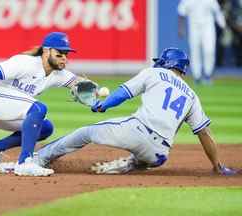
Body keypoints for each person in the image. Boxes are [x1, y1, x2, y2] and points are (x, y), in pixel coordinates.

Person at [33, 47, 236, 176]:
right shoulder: (192, 95)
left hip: (136, 131)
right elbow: (204, 133)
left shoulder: (154, 72)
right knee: (148, 157)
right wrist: (218, 166)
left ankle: (39, 158)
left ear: (165, 63)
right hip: (160, 154)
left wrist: (102, 105)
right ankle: (132, 163)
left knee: (85, 132)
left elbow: (123, 93)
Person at [0, 32, 95, 176]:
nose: (64, 58)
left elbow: (77, 82)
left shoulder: (58, 74)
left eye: (66, 54)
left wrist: (93, 91)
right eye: (59, 53)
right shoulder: (26, 63)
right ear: (46, 51)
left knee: (45, 128)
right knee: (38, 109)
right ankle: (24, 163)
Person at [178, 0, 226, 84]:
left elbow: (217, 12)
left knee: (209, 50)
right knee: (194, 51)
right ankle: (197, 76)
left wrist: (222, 25)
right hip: (194, 27)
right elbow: (181, 13)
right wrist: (181, 28)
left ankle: (208, 75)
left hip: (208, 27)